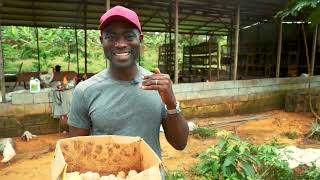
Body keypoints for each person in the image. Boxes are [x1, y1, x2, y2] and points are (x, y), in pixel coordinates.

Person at [67, 6, 189, 159]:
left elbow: (180, 143)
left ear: (140, 39)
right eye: (111, 37)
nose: (120, 44)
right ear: (101, 41)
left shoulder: (156, 85)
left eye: (129, 36)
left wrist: (171, 104)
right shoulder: (85, 91)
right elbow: (77, 153)